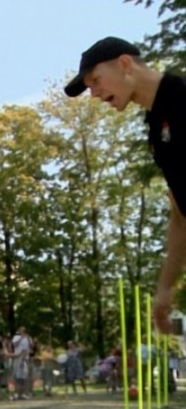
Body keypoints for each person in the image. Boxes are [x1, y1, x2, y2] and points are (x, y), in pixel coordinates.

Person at [65, 37, 186, 338]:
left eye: (95, 80)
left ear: (124, 64)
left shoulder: (182, 98)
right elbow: (180, 216)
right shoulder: (157, 128)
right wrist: (164, 290)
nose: (93, 93)